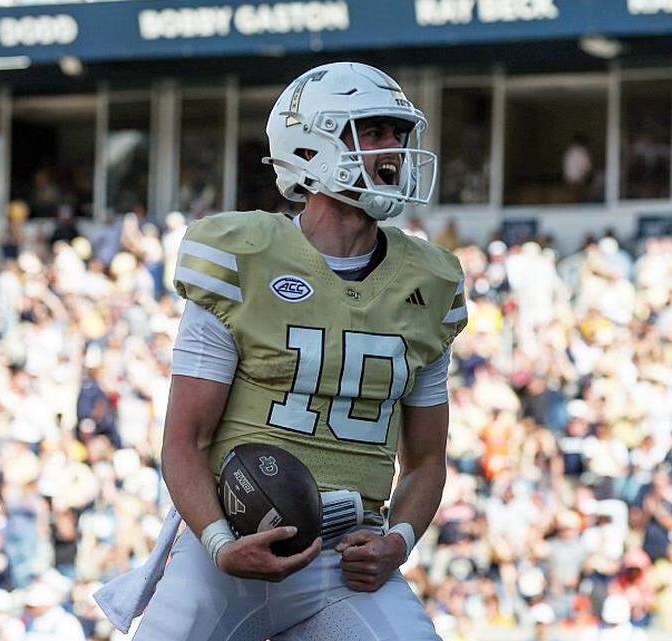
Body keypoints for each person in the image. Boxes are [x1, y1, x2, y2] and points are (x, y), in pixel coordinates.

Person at [103, 62, 465, 641]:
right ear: (312, 144)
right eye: (371, 132)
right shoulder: (241, 256)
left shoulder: (431, 282)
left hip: (345, 560)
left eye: (397, 134)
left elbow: (425, 460)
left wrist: (397, 541)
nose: (392, 149)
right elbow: (184, 440)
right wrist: (221, 545)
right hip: (228, 549)